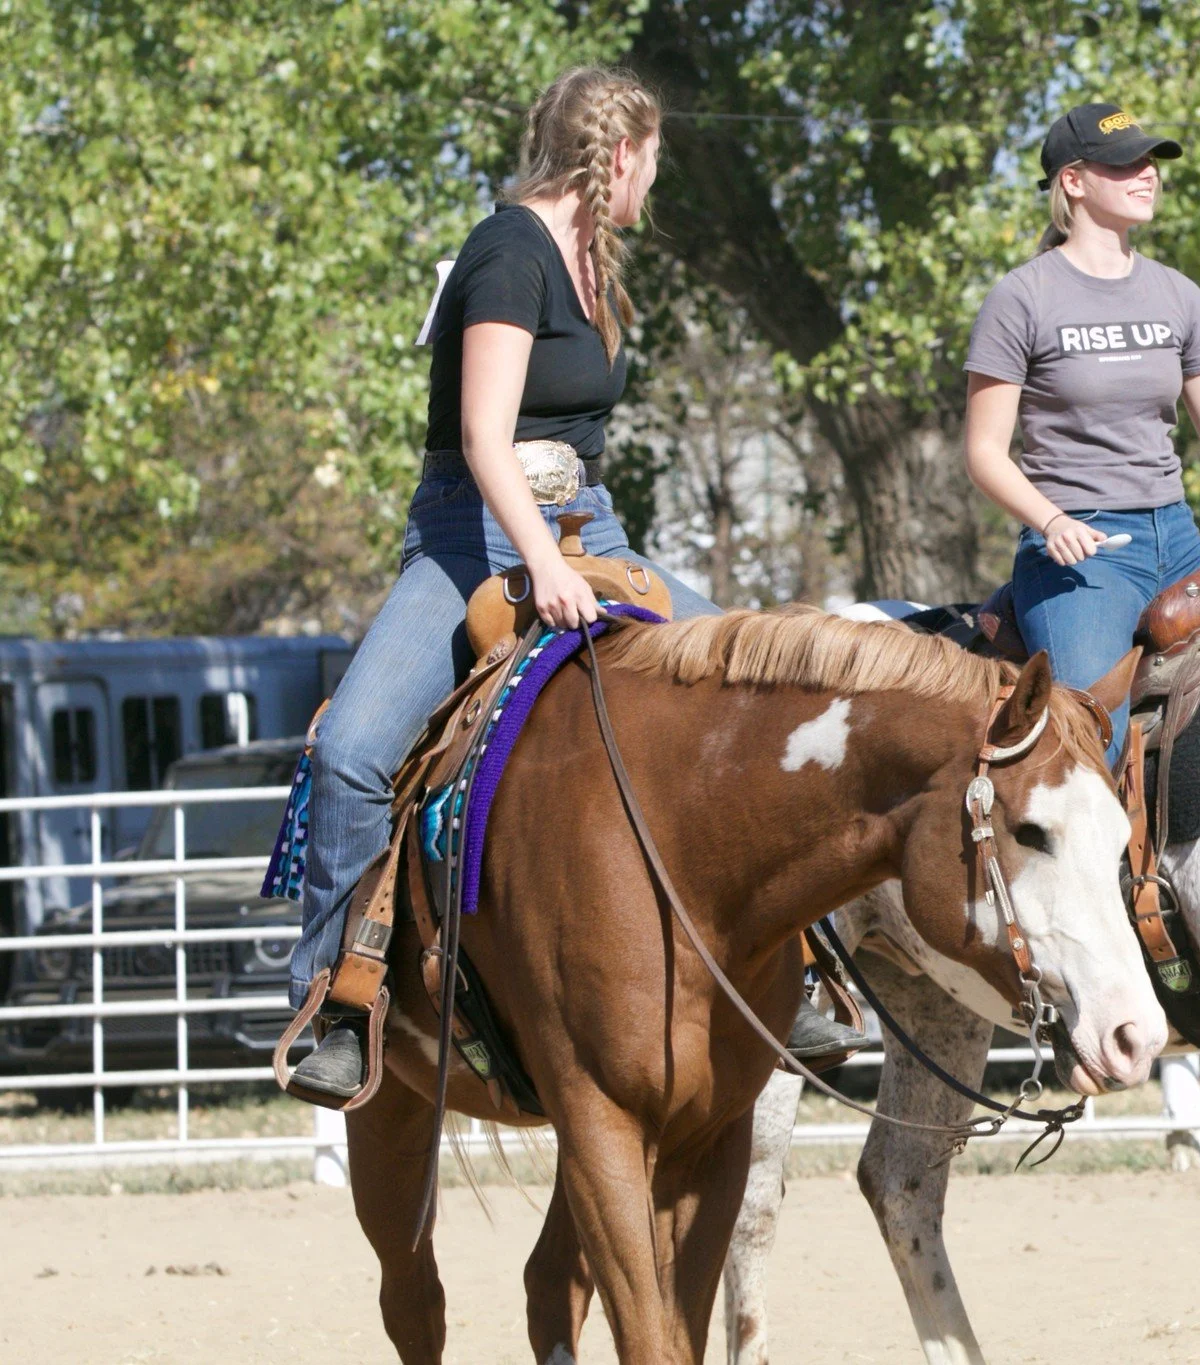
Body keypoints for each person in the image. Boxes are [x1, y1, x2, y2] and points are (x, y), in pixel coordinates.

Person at [286, 67, 862, 1101]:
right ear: (621, 154)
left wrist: (570, 546)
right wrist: (541, 564)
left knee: (765, 692)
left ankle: (802, 975)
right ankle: (340, 999)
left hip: (591, 526)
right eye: (653, 162)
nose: (653, 184)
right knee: (352, 751)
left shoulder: (593, 262)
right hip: (472, 535)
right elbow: (483, 436)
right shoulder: (507, 251)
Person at [962, 102, 1200, 764]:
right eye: (1125, 163)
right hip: (1081, 555)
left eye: (1151, 162)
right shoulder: (1022, 297)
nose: (1147, 174)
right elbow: (984, 453)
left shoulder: (1177, 294)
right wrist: (1051, 521)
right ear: (1074, 181)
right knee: (1087, 743)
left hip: (1180, 541)